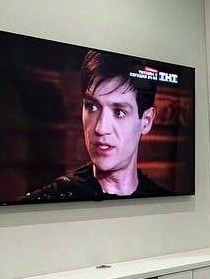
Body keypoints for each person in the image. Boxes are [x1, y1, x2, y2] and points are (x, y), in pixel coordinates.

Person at [22, 49, 169, 201]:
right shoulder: (51, 199)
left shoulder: (161, 202)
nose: (101, 128)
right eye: (92, 107)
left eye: (119, 112)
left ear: (146, 121)